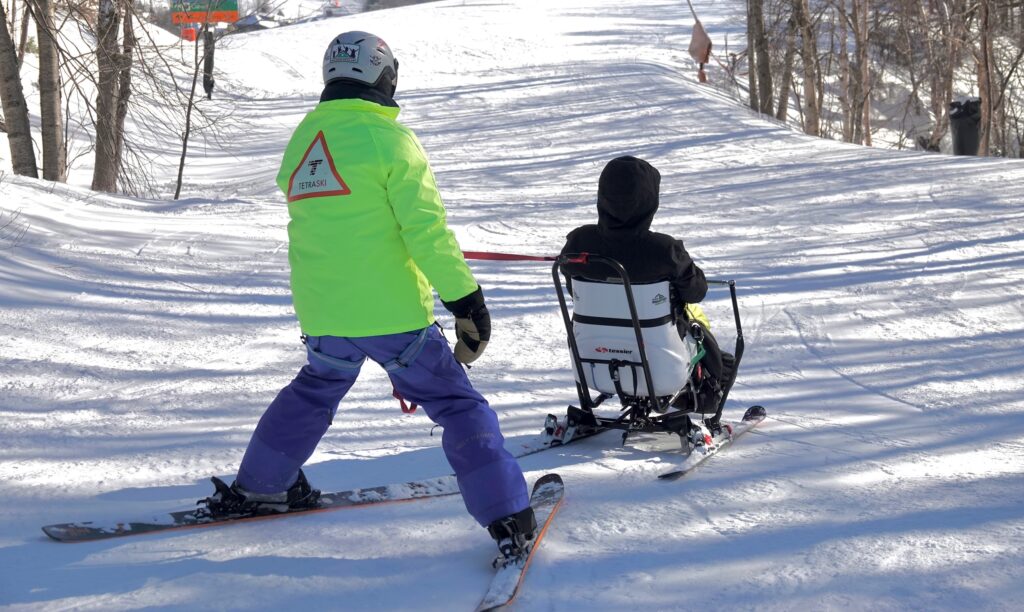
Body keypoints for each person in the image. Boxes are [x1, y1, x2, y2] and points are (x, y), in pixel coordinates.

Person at [202, 31, 535, 558]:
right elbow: (425, 230)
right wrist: (465, 300)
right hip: (392, 316)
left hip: (325, 313)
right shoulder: (390, 141)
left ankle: (260, 486)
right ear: (386, 77)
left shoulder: (304, 140)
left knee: (314, 391)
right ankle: (507, 514)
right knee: (455, 402)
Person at [558, 155, 735, 430]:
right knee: (699, 327)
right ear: (649, 202)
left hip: (594, 366)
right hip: (662, 368)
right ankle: (705, 399)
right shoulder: (665, 251)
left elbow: (572, 287)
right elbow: (695, 292)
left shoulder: (579, 243)